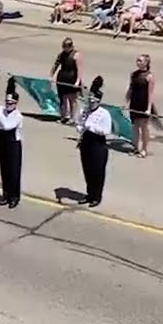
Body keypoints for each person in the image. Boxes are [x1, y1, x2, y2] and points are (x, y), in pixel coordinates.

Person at [77, 76, 112, 206]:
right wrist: (80, 127)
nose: (91, 103)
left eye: (93, 100)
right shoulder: (84, 111)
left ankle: (96, 197)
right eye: (90, 100)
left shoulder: (104, 113)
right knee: (87, 170)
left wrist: (92, 128)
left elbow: (106, 131)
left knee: (97, 172)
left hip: (98, 145)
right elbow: (79, 123)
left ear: (98, 101)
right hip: (86, 143)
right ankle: (89, 194)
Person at [0, 79, 24, 208]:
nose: (8, 105)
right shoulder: (2, 112)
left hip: (13, 145)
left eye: (11, 103)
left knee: (14, 171)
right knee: (4, 169)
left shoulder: (18, 116)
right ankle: (6, 195)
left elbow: (7, 126)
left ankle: (14, 197)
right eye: (7, 102)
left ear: (15, 103)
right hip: (3, 141)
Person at [126, 54, 156, 158]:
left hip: (144, 103)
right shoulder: (133, 74)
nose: (138, 62)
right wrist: (125, 102)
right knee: (135, 127)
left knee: (144, 128)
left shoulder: (149, 76)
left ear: (146, 63)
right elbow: (130, 89)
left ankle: (144, 149)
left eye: (140, 61)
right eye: (137, 60)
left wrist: (149, 108)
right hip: (134, 102)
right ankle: (135, 148)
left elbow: (151, 93)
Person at [51, 38, 81, 123]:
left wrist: (78, 81)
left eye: (65, 47)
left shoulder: (76, 55)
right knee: (62, 98)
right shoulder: (61, 54)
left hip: (72, 78)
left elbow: (79, 70)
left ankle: (72, 118)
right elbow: (56, 65)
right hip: (62, 77)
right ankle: (63, 116)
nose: (64, 48)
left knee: (72, 99)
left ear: (70, 46)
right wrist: (51, 75)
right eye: (63, 47)